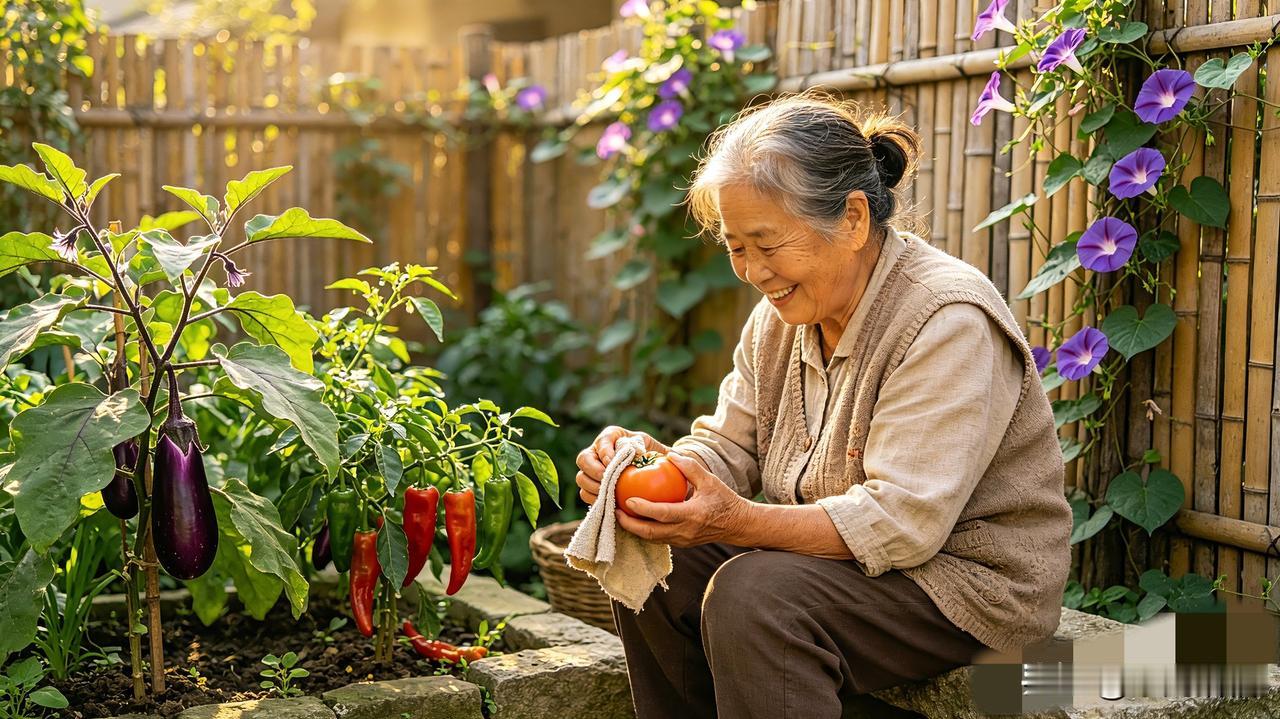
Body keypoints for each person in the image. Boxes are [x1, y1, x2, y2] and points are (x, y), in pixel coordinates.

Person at [575, 91, 1073, 719]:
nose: (752, 270)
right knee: (656, 560)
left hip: (967, 585)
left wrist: (733, 521)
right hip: (853, 568)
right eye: (735, 246)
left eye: (768, 243)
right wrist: (657, 472)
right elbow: (729, 445)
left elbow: (901, 524)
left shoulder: (946, 318)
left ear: (854, 218)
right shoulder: (781, 315)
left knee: (754, 597)